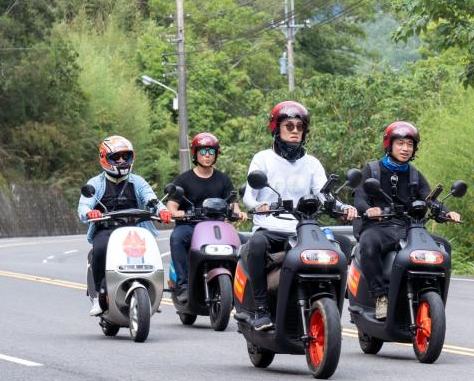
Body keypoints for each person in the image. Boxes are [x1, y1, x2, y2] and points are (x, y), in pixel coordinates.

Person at [236, 101, 358, 331]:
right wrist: (259, 205)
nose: (294, 131)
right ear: (277, 128)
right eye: (289, 126)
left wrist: (343, 208)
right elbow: (250, 196)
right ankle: (261, 309)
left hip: (303, 229)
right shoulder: (262, 159)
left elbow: (325, 195)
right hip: (270, 227)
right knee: (256, 245)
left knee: (340, 245)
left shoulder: (311, 163)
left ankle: (336, 303)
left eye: (299, 127)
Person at [353, 121, 461, 320]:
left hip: (408, 228)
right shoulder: (372, 170)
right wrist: (369, 210)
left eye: (409, 145)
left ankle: (432, 294)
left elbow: (430, 198)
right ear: (389, 145)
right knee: (368, 245)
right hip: (378, 227)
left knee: (442, 246)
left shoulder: (414, 174)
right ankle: (380, 296)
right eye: (400, 143)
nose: (405, 149)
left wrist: (447, 213)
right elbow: (358, 197)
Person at [78, 135, 172, 316]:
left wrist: (161, 210)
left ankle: (152, 292)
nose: (121, 161)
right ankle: (98, 296)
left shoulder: (137, 181)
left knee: (151, 253)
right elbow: (84, 204)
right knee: (100, 249)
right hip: (106, 229)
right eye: (116, 157)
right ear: (105, 158)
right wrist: (90, 212)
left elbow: (150, 199)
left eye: (125, 156)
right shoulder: (95, 183)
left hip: (135, 229)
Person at [166, 132, 247, 304]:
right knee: (177, 238)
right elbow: (172, 205)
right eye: (203, 152)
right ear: (195, 153)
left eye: (211, 152)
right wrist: (177, 212)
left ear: (216, 154)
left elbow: (232, 203)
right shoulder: (184, 179)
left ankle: (242, 288)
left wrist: (239, 212)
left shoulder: (223, 179)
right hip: (191, 225)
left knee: (245, 243)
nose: (207, 155)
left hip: (217, 226)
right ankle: (183, 285)